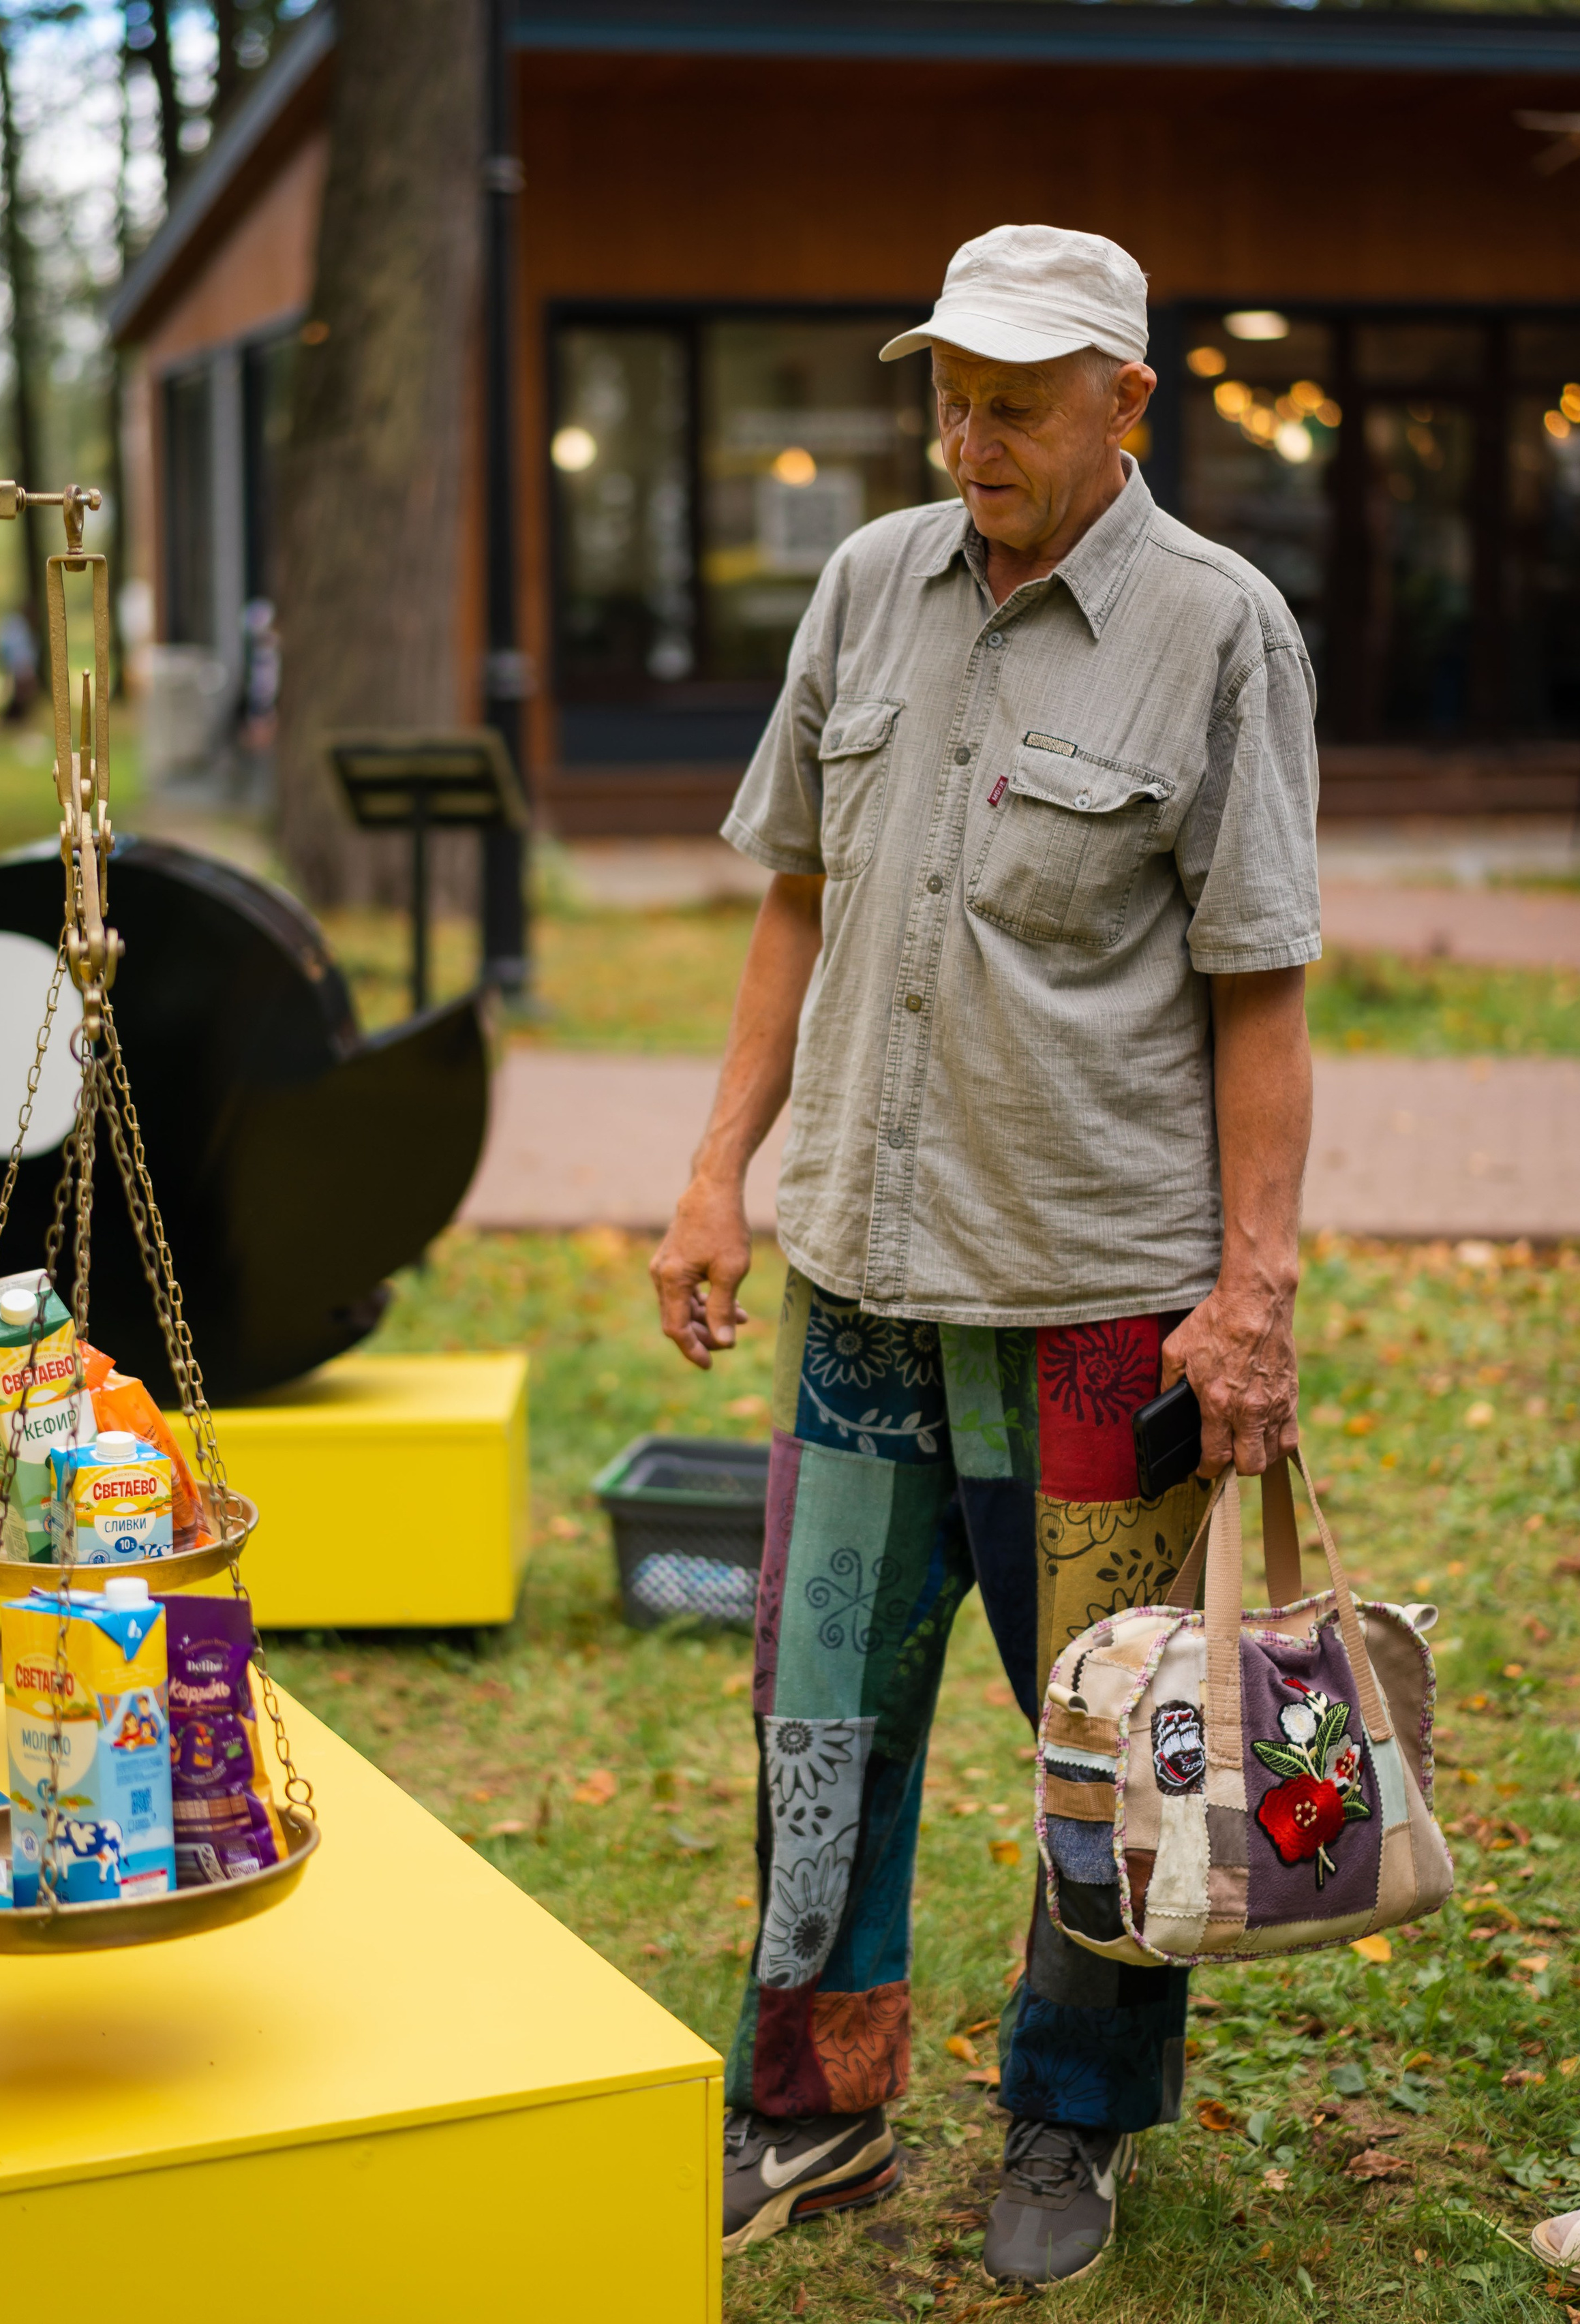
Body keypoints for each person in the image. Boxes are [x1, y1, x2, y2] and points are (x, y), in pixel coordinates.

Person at [650, 222, 1319, 2289]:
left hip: (1101, 1312)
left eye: (1016, 404)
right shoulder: (867, 583)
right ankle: (817, 2100)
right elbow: (794, 901)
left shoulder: (1222, 633)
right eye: (949, 393)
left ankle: (1073, 2115)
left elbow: (1262, 989)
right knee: (819, 1717)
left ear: (1131, 402)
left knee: (1114, 1743)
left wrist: (1253, 1294)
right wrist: (715, 1171)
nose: (970, 437)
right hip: (862, 1275)